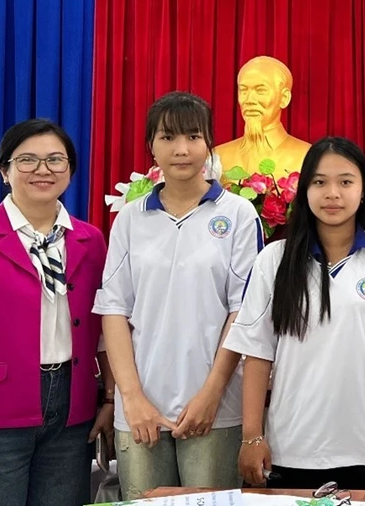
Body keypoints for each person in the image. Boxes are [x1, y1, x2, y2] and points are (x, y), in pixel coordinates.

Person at [226, 137, 365, 505]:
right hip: (290, 449)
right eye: (319, 182)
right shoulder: (274, 260)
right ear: (304, 190)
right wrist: (252, 436)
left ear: (364, 190)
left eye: (345, 182)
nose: (332, 193)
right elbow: (257, 353)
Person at [95, 93, 262, 498]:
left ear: (209, 143)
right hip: (141, 410)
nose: (182, 149)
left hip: (215, 409)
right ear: (151, 145)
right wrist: (131, 398)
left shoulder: (238, 214)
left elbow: (243, 311)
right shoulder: (131, 219)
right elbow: (114, 310)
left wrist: (211, 394)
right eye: (168, 137)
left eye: (193, 136)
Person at [0, 119, 111, 505]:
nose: (42, 170)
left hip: (73, 409)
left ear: (70, 169)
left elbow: (104, 330)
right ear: (5, 171)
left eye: (55, 160)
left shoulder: (90, 240)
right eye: (28, 160)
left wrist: (110, 400)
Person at [215, 56, 312, 178]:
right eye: (243, 91)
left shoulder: (308, 157)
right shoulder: (217, 157)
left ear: (284, 98)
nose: (249, 100)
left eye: (260, 90)